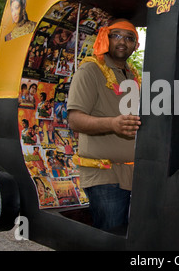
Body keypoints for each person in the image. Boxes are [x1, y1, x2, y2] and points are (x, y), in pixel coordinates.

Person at [67, 19, 141, 231]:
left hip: (132, 175)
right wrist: (112, 124)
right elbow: (74, 119)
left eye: (129, 38)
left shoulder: (132, 74)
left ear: (135, 45)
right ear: (105, 38)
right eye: (116, 35)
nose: (122, 42)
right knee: (111, 236)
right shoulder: (90, 71)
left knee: (128, 237)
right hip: (104, 175)